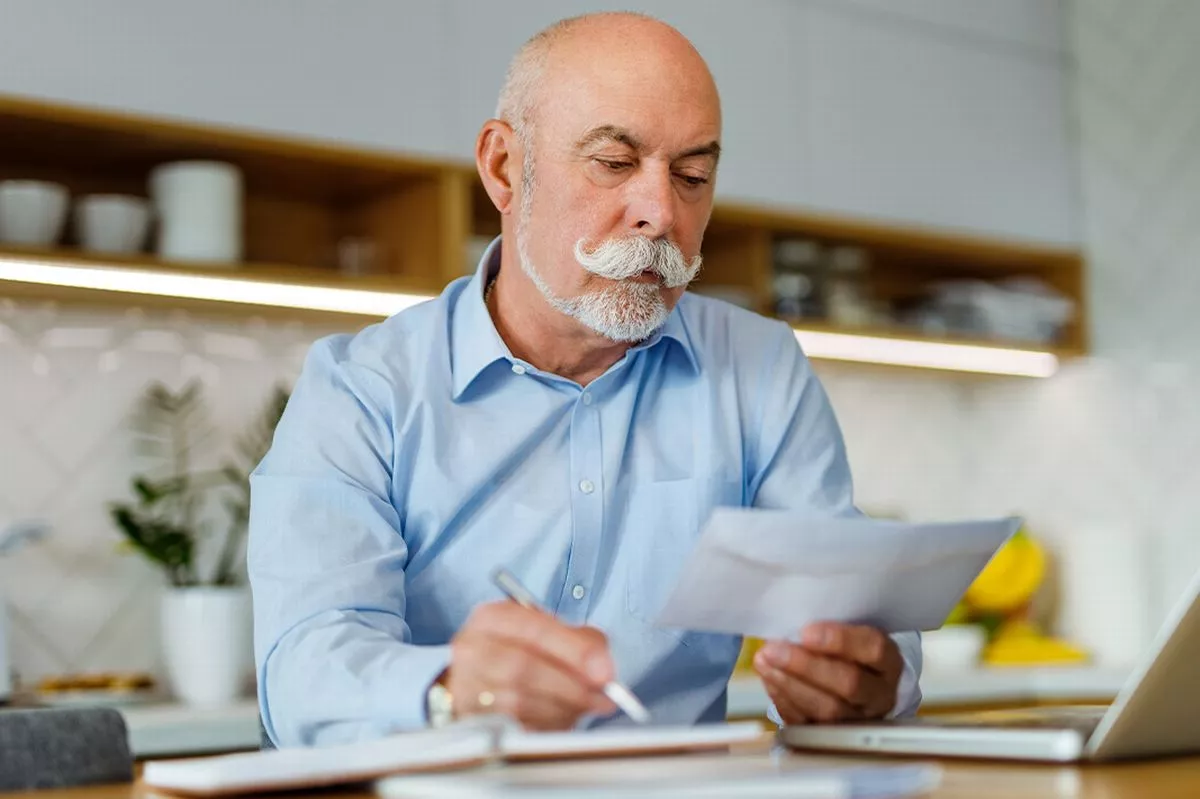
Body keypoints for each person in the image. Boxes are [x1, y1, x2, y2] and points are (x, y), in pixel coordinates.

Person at [249, 11, 921, 748]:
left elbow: (853, 609)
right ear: (505, 168)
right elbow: (304, 670)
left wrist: (867, 679)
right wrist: (451, 695)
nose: (660, 213)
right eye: (613, 162)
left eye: (693, 176)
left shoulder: (759, 369)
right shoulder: (361, 392)